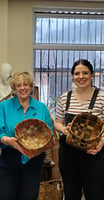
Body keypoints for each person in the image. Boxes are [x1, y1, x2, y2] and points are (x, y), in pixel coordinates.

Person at [0, 71, 54, 200]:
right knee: (5, 196)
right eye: (19, 85)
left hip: (34, 160)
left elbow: (51, 136)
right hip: (10, 159)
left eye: (26, 84)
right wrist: (9, 141)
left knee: (29, 196)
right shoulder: (3, 107)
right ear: (14, 88)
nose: (23, 88)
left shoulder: (41, 108)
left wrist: (38, 148)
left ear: (31, 86)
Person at [54, 59, 104, 200]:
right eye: (77, 73)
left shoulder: (101, 97)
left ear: (92, 74)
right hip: (69, 156)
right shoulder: (65, 98)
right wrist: (64, 129)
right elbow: (57, 122)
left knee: (96, 194)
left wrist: (102, 143)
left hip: (94, 155)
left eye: (85, 73)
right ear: (72, 76)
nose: (81, 77)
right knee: (71, 195)